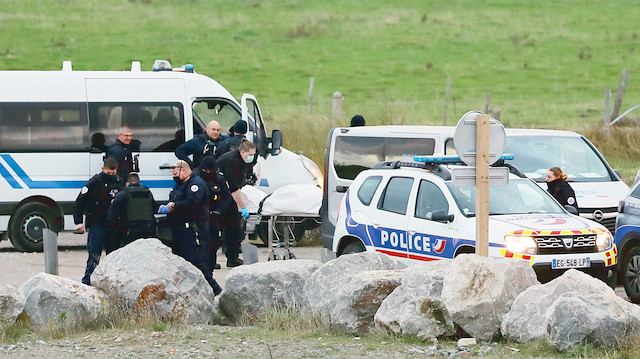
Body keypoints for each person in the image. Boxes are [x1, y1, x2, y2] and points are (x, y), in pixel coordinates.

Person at [158, 160, 223, 295]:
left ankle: (215, 290)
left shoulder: (195, 184)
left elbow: (193, 203)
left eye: (176, 174)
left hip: (192, 229)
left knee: (196, 261)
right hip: (178, 228)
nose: (174, 177)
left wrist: (174, 206)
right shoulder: (180, 184)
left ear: (184, 170)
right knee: (178, 261)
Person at [74, 157, 126, 285]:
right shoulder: (94, 183)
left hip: (114, 225)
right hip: (97, 223)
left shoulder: (120, 182)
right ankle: (88, 281)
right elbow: (80, 202)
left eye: (113, 173)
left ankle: (113, 282)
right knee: (94, 255)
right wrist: (79, 222)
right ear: (103, 169)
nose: (111, 176)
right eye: (109, 173)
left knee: (113, 256)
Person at [216, 140, 257, 267]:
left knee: (232, 228)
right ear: (242, 152)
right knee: (228, 227)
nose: (252, 158)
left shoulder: (240, 160)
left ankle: (232, 257)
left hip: (226, 195)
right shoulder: (232, 162)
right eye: (250, 155)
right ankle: (229, 258)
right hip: (221, 196)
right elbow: (233, 188)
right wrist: (243, 207)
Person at [198, 156, 236, 271]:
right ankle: (203, 262)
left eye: (211, 171)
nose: (209, 173)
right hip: (200, 215)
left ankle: (212, 262)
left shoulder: (219, 179)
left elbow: (227, 197)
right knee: (202, 241)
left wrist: (220, 210)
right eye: (207, 171)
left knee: (214, 240)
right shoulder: (197, 179)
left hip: (215, 214)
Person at [107, 172, 157, 248]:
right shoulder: (147, 192)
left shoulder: (123, 194)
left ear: (127, 183)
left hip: (129, 231)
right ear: (139, 182)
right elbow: (154, 208)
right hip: (148, 230)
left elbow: (112, 215)